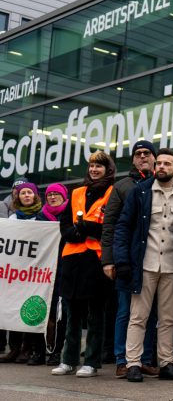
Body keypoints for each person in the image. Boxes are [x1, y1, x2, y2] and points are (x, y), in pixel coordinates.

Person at [113, 148, 173, 383]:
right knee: (138, 316)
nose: (161, 167)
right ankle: (133, 363)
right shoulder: (139, 191)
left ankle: (166, 363)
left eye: (167, 164)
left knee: (168, 319)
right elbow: (123, 226)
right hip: (144, 264)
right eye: (158, 163)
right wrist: (121, 260)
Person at [51, 151, 116, 378]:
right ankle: (68, 360)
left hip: (96, 259)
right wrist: (82, 230)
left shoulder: (112, 192)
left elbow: (108, 227)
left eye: (99, 166)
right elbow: (66, 227)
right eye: (91, 166)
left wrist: (86, 227)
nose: (94, 169)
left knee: (95, 314)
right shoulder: (76, 192)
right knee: (72, 313)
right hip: (72, 258)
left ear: (108, 169)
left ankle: (91, 362)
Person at [101, 140, 158, 379]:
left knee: (152, 312)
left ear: (155, 158)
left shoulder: (163, 184)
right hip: (128, 260)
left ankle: (145, 359)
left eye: (147, 153)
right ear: (133, 159)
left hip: (156, 257)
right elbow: (110, 224)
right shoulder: (122, 186)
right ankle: (122, 360)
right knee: (126, 310)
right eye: (138, 154)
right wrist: (108, 260)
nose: (142, 156)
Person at [2, 182, 43, 365]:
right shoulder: (11, 219)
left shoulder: (42, 218)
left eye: (29, 193)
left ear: (35, 196)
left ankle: (28, 349)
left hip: (34, 271)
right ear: (17, 197)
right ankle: (15, 348)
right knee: (14, 308)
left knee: (30, 309)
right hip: (16, 272)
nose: (26, 195)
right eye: (22, 193)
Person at [36, 183, 69, 367]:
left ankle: (56, 352)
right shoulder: (40, 217)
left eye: (57, 194)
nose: (53, 197)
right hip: (42, 270)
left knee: (59, 314)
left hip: (63, 268)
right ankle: (39, 351)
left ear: (64, 197)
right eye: (50, 194)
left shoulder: (68, 215)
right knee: (41, 310)